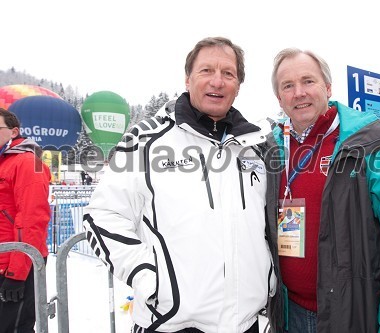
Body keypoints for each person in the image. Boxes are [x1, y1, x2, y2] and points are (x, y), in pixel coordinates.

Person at [83, 37, 276, 333]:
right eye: (206, 70)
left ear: (238, 85)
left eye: (228, 73)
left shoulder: (254, 148)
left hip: (246, 323)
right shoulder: (147, 139)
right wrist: (150, 278)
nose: (218, 81)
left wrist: (268, 278)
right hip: (171, 324)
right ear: (188, 79)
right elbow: (101, 216)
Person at [265, 48, 380, 332]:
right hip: (288, 314)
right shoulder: (270, 149)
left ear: (328, 87)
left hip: (356, 314)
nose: (299, 93)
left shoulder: (373, 142)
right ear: (279, 98)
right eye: (288, 86)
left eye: (308, 81)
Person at [0, 108, 51, 332]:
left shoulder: (30, 162)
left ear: (13, 132)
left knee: (15, 327)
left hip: (17, 264)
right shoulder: (3, 162)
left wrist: (17, 273)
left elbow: (32, 219)